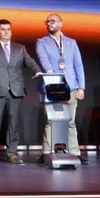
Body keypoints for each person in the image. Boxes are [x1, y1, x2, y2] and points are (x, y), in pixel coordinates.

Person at [0, 19, 39, 164]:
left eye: (8, 29)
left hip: (16, 91)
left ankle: (12, 153)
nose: (6, 32)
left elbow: (30, 61)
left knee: (13, 124)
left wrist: (38, 71)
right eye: (3, 29)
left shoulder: (20, 48)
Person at [35, 13, 87, 164]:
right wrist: (51, 73)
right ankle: (46, 152)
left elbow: (78, 65)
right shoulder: (42, 41)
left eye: (52, 21)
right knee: (50, 121)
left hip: (70, 86)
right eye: (47, 22)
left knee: (70, 121)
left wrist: (81, 87)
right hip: (51, 86)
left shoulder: (71, 42)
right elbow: (43, 58)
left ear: (60, 23)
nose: (49, 24)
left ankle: (74, 152)